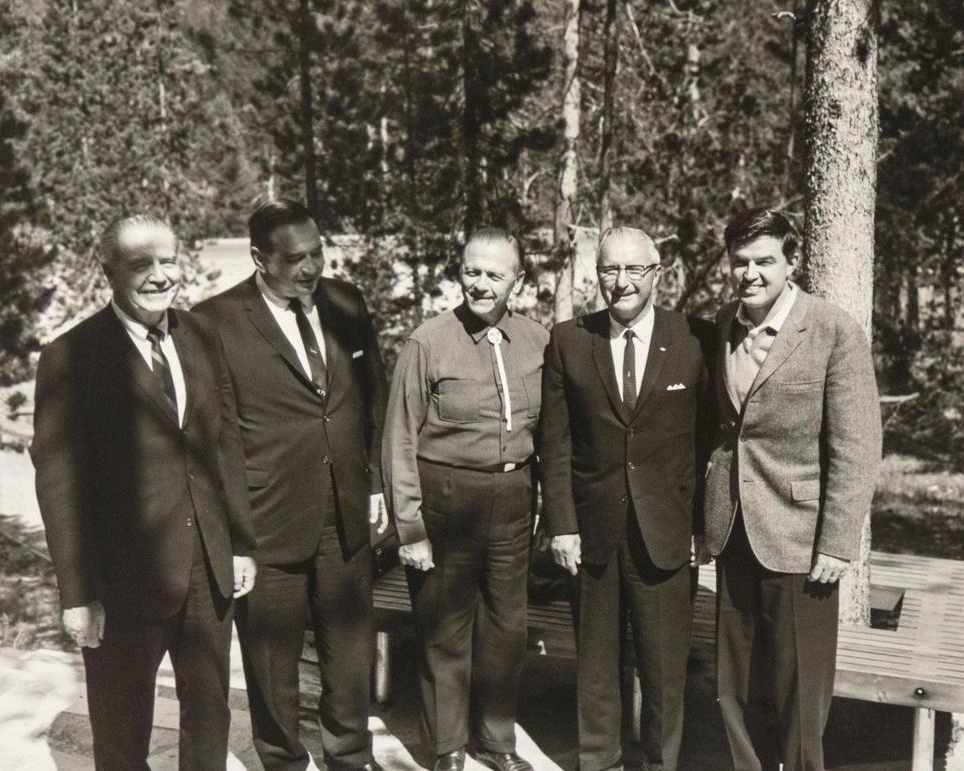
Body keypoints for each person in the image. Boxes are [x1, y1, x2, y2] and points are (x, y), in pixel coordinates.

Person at [32, 215, 257, 770]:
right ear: (109, 273)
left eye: (169, 260)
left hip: (208, 565)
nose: (160, 276)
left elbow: (224, 442)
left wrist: (241, 542)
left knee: (208, 712)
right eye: (141, 265)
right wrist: (77, 594)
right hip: (121, 579)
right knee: (121, 723)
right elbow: (58, 481)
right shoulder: (71, 357)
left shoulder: (202, 335)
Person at [193, 199, 388, 771]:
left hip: (346, 511)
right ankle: (282, 759)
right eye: (296, 259)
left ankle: (350, 756)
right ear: (259, 258)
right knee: (272, 661)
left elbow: (372, 395)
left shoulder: (346, 302)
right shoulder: (215, 323)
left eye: (319, 252)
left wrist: (372, 480)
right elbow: (217, 434)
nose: (312, 268)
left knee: (349, 651)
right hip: (267, 517)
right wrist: (235, 533)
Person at [703, 208, 882, 771]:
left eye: (763, 262)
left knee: (800, 690)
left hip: (801, 539)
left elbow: (856, 446)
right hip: (732, 529)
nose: (749, 274)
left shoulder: (831, 330)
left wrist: (835, 541)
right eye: (739, 262)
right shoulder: (722, 323)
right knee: (734, 684)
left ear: (792, 260)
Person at [540, 227, 715, 771]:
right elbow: (555, 440)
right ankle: (601, 761)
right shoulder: (570, 339)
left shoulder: (695, 339)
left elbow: (709, 440)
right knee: (595, 666)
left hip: (665, 532)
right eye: (610, 270)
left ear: (656, 274)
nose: (621, 282)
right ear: (597, 276)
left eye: (634, 270)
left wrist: (700, 525)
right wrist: (562, 524)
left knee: (663, 669)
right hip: (592, 531)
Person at [382, 228, 548, 771]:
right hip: (445, 499)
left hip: (514, 498)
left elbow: (550, 433)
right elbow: (399, 440)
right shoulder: (427, 343)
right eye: (471, 271)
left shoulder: (538, 340)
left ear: (516, 280)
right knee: (445, 629)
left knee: (506, 627)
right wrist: (409, 528)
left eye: (494, 274)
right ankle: (447, 748)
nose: (480, 284)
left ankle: (496, 742)